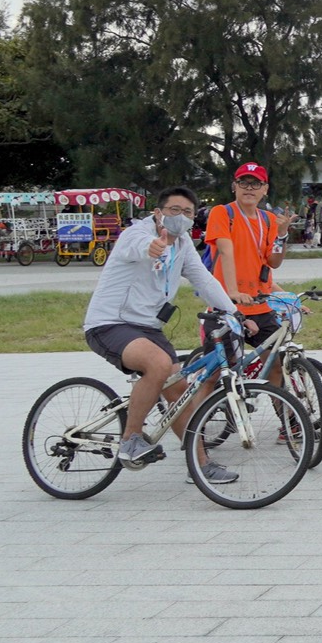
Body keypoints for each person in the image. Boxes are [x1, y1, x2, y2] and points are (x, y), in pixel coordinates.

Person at [82, 186, 241, 482]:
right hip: (109, 323)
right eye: (174, 210)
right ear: (158, 212)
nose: (181, 217)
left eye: (188, 213)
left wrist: (233, 312)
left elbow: (203, 279)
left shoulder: (182, 244)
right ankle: (130, 440)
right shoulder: (138, 234)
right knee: (158, 364)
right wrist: (151, 247)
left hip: (148, 328)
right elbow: (138, 246)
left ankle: (201, 465)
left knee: (178, 390)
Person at [204, 162, 293, 360]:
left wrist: (282, 235)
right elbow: (226, 251)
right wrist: (232, 292)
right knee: (220, 372)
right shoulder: (222, 213)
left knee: (276, 362)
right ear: (234, 186)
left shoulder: (269, 219)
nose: (249, 189)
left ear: (265, 189)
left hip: (260, 305)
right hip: (227, 305)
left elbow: (274, 261)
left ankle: (271, 392)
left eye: (256, 184)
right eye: (243, 183)